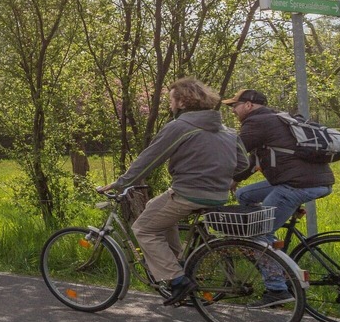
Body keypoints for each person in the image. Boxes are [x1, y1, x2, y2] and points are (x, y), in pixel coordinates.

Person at [102, 77, 250, 305]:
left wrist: (122, 182)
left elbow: (150, 158)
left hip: (188, 193)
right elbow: (243, 165)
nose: (169, 105)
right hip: (218, 194)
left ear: (181, 102)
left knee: (143, 228)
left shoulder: (180, 126)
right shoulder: (228, 130)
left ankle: (176, 279)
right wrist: (221, 176)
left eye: (171, 100)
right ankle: (179, 261)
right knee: (154, 208)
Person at [225, 87, 335, 277]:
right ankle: (274, 244)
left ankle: (277, 289)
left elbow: (235, 154)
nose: (233, 110)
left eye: (235, 106)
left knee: (257, 234)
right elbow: (252, 159)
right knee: (245, 195)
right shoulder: (277, 117)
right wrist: (235, 179)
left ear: (248, 105)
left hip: (296, 185)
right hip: (314, 180)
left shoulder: (255, 122)